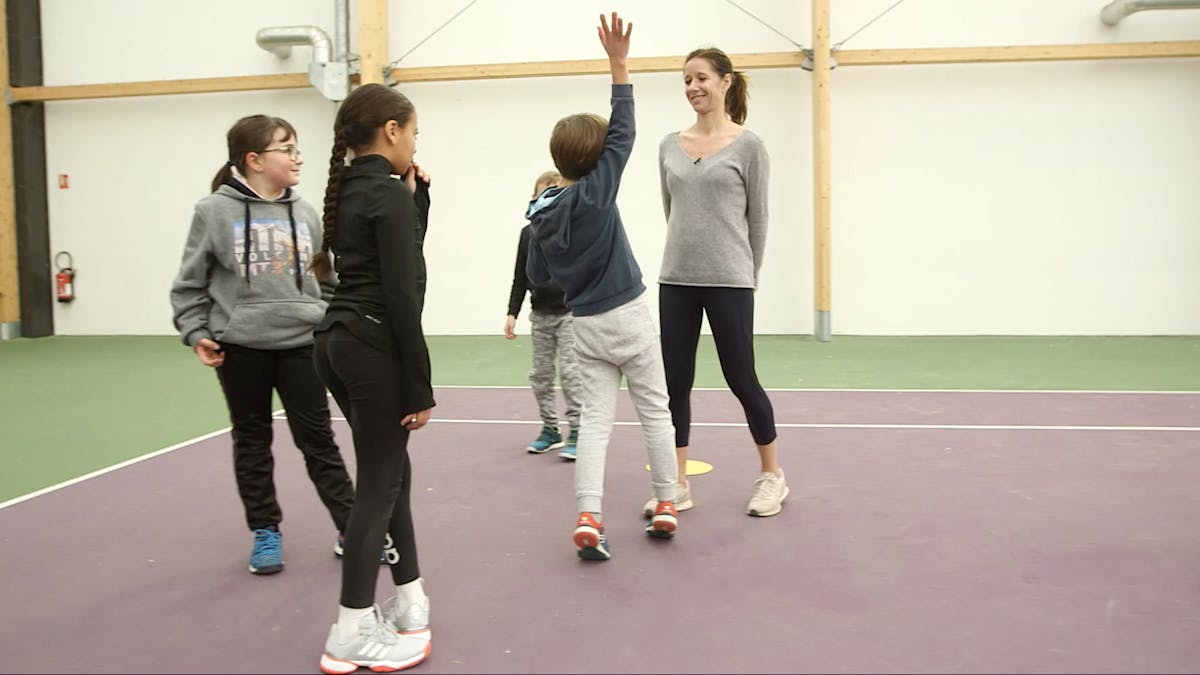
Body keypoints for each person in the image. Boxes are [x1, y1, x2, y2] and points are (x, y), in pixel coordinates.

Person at [170, 114, 355, 576]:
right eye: (286, 148)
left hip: (300, 345)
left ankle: (351, 526)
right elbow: (189, 283)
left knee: (318, 440)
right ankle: (265, 531)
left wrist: (330, 328)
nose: (298, 157)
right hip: (242, 348)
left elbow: (326, 283)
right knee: (252, 441)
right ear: (253, 160)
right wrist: (198, 332)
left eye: (296, 148)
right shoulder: (213, 211)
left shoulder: (308, 212)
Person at [527, 11, 678, 561]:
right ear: (596, 162)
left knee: (593, 424)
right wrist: (619, 66)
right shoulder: (596, 194)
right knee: (655, 413)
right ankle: (665, 501)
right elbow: (624, 132)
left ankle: (589, 513)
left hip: (584, 323)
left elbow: (538, 277)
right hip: (630, 316)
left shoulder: (540, 214)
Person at [309, 82, 435, 674]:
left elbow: (393, 263)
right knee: (379, 485)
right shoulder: (386, 195)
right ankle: (350, 630)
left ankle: (409, 602)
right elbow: (401, 293)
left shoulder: (359, 190)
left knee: (394, 475)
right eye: (413, 132)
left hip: (335, 343)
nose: (414, 143)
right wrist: (419, 384)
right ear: (391, 130)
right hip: (372, 347)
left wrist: (419, 204)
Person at [654, 47, 788, 518]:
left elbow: (759, 220)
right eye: (687, 80)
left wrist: (746, 276)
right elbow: (673, 212)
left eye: (702, 78)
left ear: (726, 82)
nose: (693, 87)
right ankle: (676, 484)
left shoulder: (749, 147)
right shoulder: (669, 145)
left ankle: (772, 476)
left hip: (730, 281)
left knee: (741, 377)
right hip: (676, 280)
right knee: (674, 383)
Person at [504, 170, 584, 459]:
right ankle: (551, 429)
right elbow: (520, 277)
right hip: (540, 316)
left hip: (570, 315)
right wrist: (512, 312)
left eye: (556, 190)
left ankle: (577, 430)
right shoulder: (528, 235)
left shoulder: (572, 230)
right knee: (540, 375)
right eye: (543, 192)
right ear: (534, 199)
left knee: (572, 374)